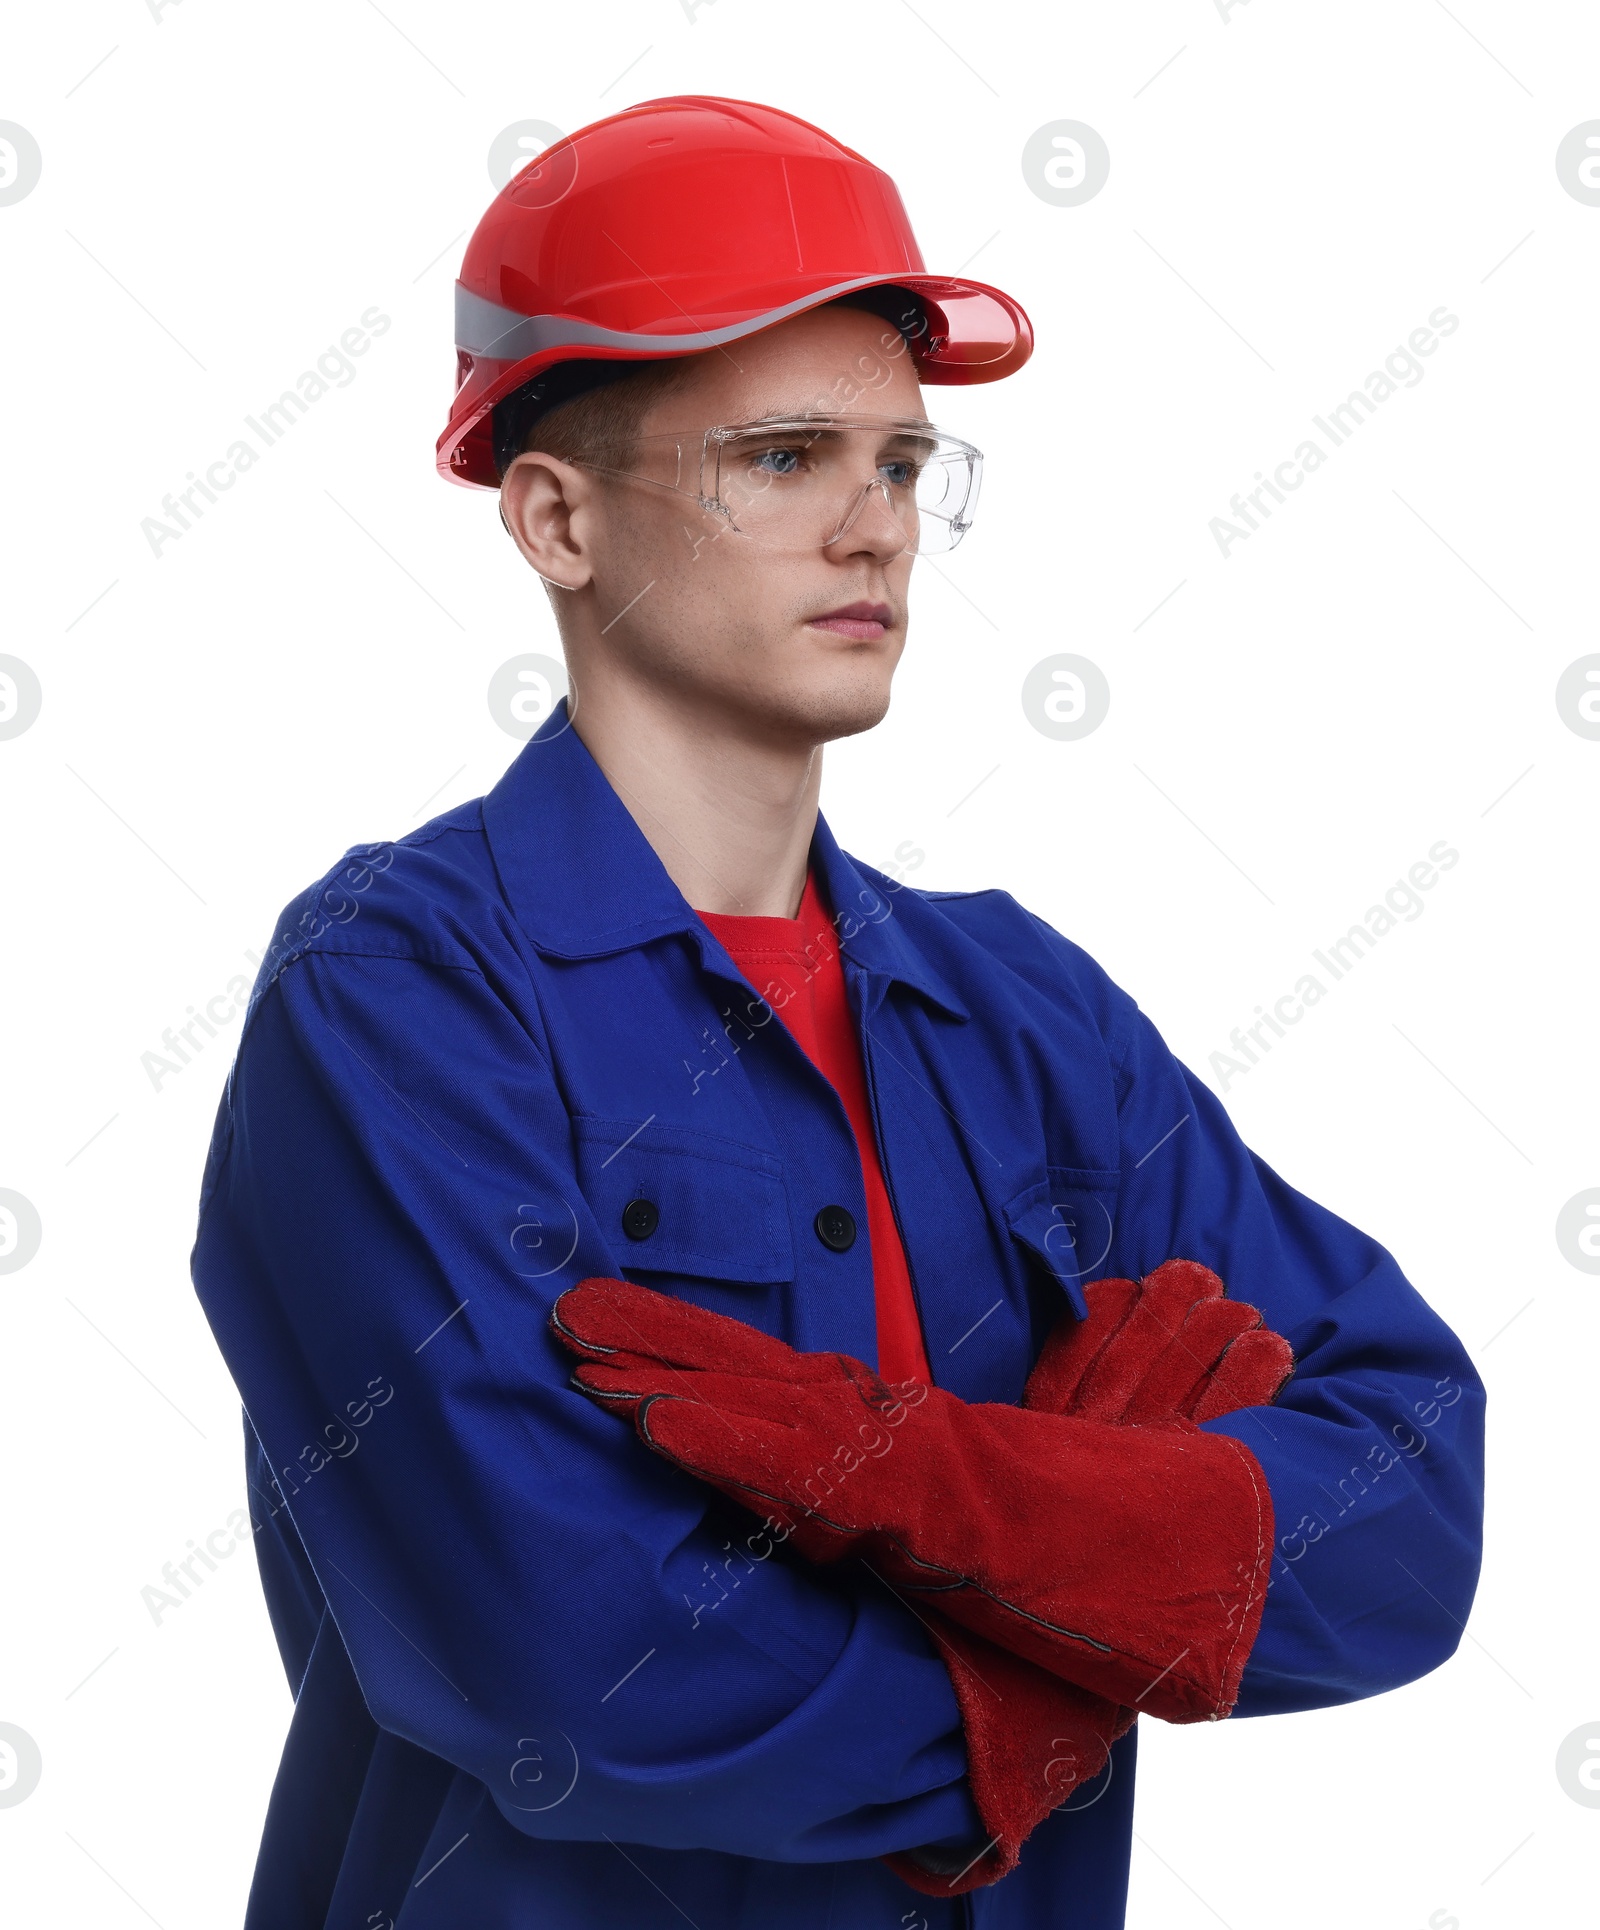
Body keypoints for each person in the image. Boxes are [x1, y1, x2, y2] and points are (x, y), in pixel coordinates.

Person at [191, 96, 1484, 1930]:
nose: (874, 530)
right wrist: (1091, 1629)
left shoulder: (1025, 1014)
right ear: (555, 517)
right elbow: (564, 1654)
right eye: (786, 458)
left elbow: (1411, 1487)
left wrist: (959, 1492)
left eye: (902, 463)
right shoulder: (398, 1000)